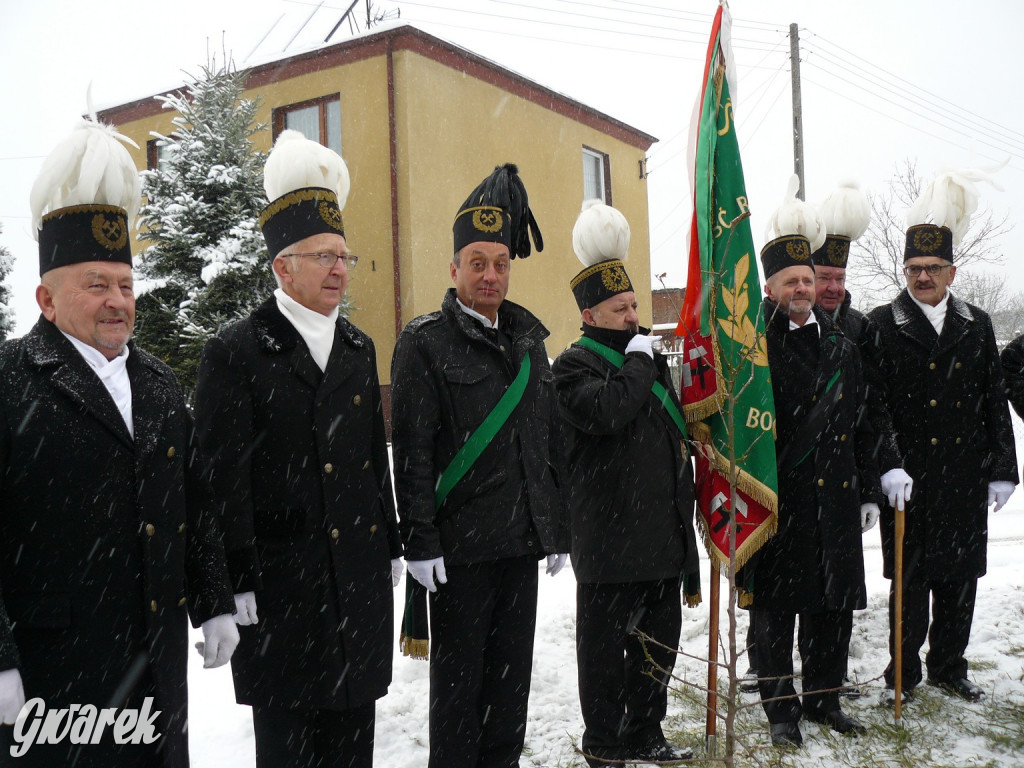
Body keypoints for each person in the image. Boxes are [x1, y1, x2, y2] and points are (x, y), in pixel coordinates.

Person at [0, 119, 237, 767]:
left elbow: (194, 501)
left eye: (126, 285)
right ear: (47, 297)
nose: (117, 302)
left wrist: (214, 600)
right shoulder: (9, 379)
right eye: (96, 284)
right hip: (53, 679)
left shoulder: (158, 383)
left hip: (155, 667)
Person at [193, 131, 403, 768]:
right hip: (282, 594)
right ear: (282, 267)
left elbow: (371, 458)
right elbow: (217, 479)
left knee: (352, 748)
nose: (340, 268)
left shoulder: (359, 349)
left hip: (357, 587)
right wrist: (230, 582)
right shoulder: (236, 351)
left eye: (344, 255)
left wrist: (387, 541)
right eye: (323, 256)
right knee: (289, 749)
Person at [390, 163, 569, 768]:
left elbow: (544, 439)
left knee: (509, 687)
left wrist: (554, 526)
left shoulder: (528, 339)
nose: (491, 274)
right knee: (459, 691)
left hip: (519, 546)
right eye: (478, 263)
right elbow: (411, 451)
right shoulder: (423, 342)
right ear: (454, 269)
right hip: (458, 554)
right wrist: (419, 539)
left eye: (500, 263)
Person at [552, 201, 699, 767]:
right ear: (590, 314)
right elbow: (609, 411)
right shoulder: (571, 368)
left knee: (656, 648)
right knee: (605, 654)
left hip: (661, 535)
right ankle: (606, 743)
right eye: (621, 308)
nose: (634, 316)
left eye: (635, 305)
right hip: (609, 539)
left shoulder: (647, 360)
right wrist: (640, 364)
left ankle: (646, 733)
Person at [867, 170, 1018, 705]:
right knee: (908, 583)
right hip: (906, 479)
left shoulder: (976, 324)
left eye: (932, 268)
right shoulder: (882, 324)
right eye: (914, 269)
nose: (923, 277)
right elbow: (874, 403)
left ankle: (950, 665)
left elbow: (992, 396)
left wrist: (1003, 466)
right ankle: (903, 674)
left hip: (961, 473)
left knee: (959, 579)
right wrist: (885, 463)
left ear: (952, 270)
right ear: (904, 270)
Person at [747, 185, 880, 748]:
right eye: (791, 282)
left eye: (808, 279)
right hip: (781, 499)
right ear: (771, 289)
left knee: (832, 607)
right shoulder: (752, 348)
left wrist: (871, 485)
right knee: (777, 613)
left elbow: (866, 422)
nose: (803, 289)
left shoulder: (844, 344)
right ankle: (781, 711)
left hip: (837, 496)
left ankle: (826, 698)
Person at [810, 182, 914, 698]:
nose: (832, 286)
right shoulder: (779, 325)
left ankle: (829, 681)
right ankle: (790, 683)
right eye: (823, 276)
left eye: (839, 276)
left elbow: (874, 411)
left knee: (841, 589)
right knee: (798, 590)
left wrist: (875, 483)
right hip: (799, 476)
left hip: (848, 478)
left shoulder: (860, 328)